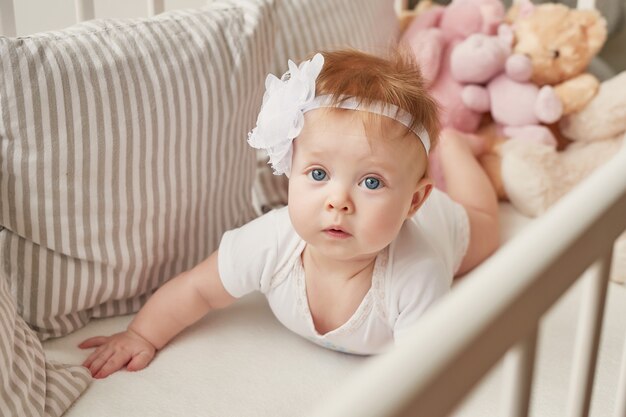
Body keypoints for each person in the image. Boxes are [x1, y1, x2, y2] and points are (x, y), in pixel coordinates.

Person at [79, 49, 499, 378]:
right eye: (318, 173)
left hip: (445, 226)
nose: (338, 201)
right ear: (289, 174)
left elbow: (425, 375)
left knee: (485, 222)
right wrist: (141, 334)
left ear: (412, 202)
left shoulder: (417, 273)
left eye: (371, 182)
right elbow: (198, 289)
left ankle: (458, 148)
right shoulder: (270, 241)